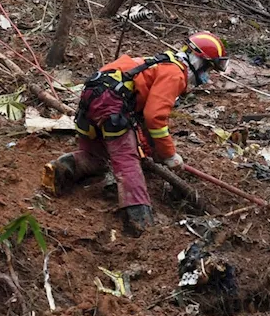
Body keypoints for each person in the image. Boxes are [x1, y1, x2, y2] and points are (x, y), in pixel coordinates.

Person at [42, 32, 228, 236]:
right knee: (126, 162)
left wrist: (151, 152)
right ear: (199, 61)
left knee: (97, 156)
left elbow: (143, 119)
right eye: (208, 68)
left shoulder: (160, 63)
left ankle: (62, 167)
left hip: (94, 96)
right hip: (111, 103)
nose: (206, 75)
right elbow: (155, 118)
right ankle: (140, 224)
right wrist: (169, 155)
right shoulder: (175, 73)